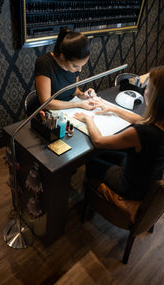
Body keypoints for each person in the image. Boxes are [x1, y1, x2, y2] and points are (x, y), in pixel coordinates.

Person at [73, 66, 164, 200]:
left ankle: (83, 199)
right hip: (148, 179)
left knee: (90, 159)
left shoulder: (142, 133)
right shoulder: (158, 124)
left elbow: (99, 142)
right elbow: (141, 120)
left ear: (156, 96)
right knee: (105, 153)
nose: (144, 90)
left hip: (131, 188)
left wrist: (88, 119)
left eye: (148, 87)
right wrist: (111, 108)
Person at [35, 27, 97, 110]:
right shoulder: (44, 63)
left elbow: (74, 90)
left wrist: (82, 95)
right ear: (63, 56)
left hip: (68, 111)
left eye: (82, 65)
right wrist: (79, 104)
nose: (79, 70)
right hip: (48, 114)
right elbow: (46, 103)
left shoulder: (74, 67)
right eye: (75, 66)